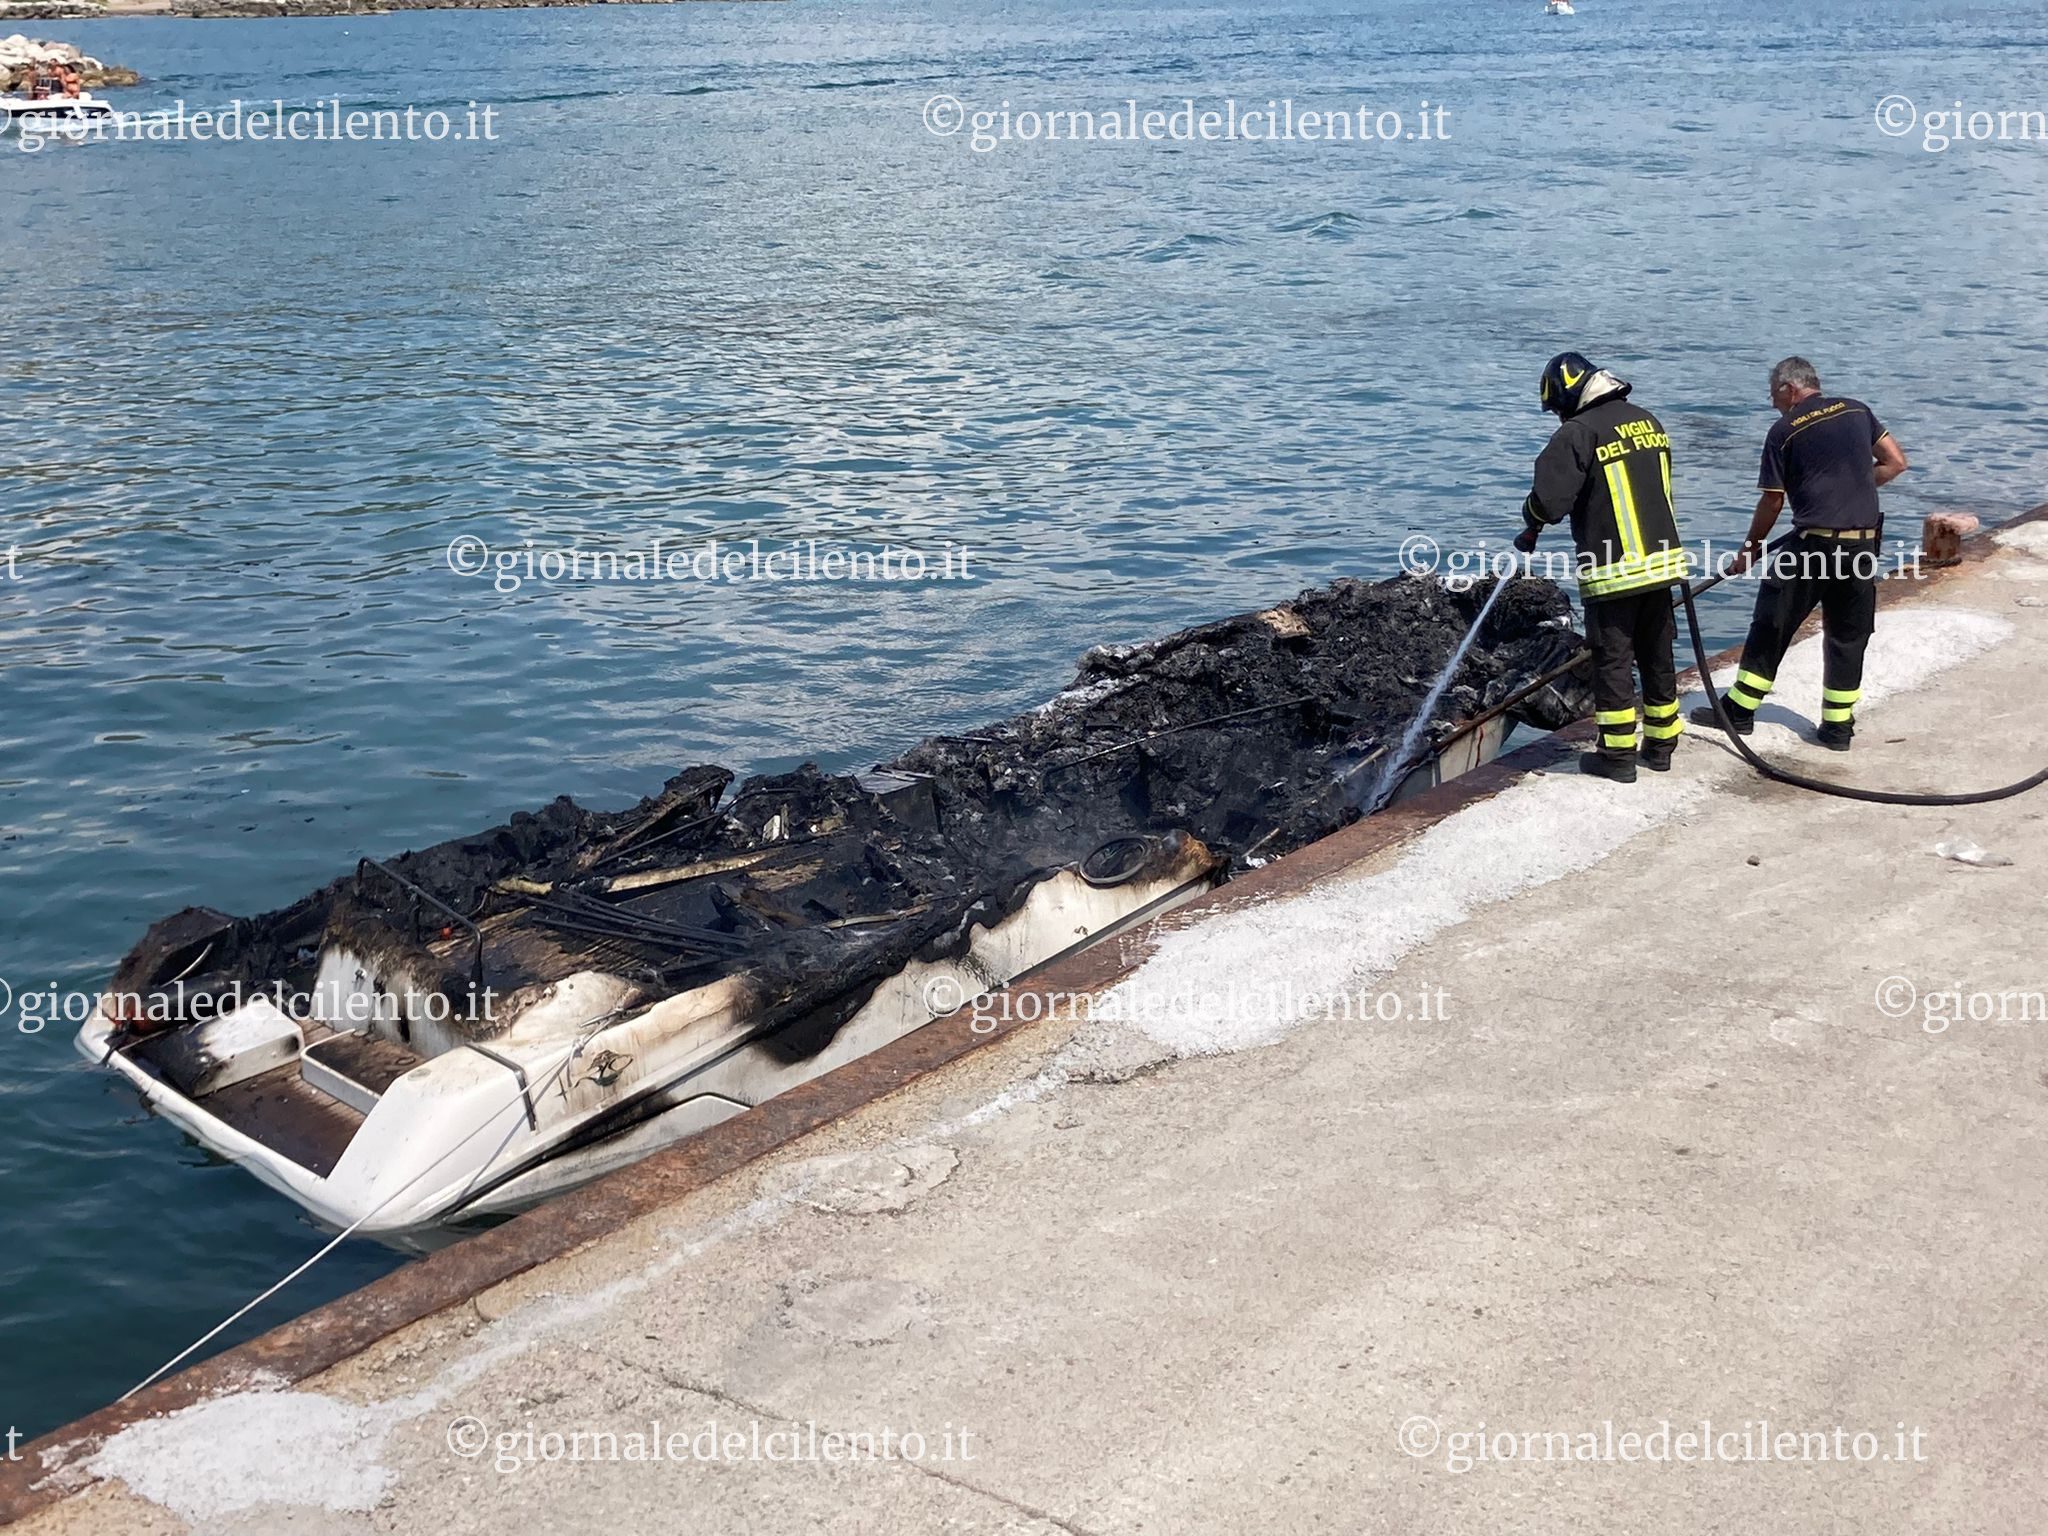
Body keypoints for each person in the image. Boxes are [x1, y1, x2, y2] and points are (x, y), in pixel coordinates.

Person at [1692, 357, 1909, 751]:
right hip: (1861, 544)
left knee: (1772, 622)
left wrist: (1750, 547)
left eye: (1773, 394)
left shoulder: (1784, 430)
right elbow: (1896, 462)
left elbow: (1773, 502)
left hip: (1814, 544)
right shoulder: (1858, 410)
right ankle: (1838, 728)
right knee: (1848, 633)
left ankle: (1739, 711)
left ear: (1790, 389)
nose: (1772, 403)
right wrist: (1856, 487)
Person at [1515, 351, 1691, 782]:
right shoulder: (1647, 420)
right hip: (1662, 563)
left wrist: (1530, 520)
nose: (1558, 417)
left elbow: (1550, 501)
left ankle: (1617, 757)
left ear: (1568, 395)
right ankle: (1662, 745)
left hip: (1614, 570)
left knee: (1612, 660)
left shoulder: (1578, 433)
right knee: (1657, 653)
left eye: (1557, 408)